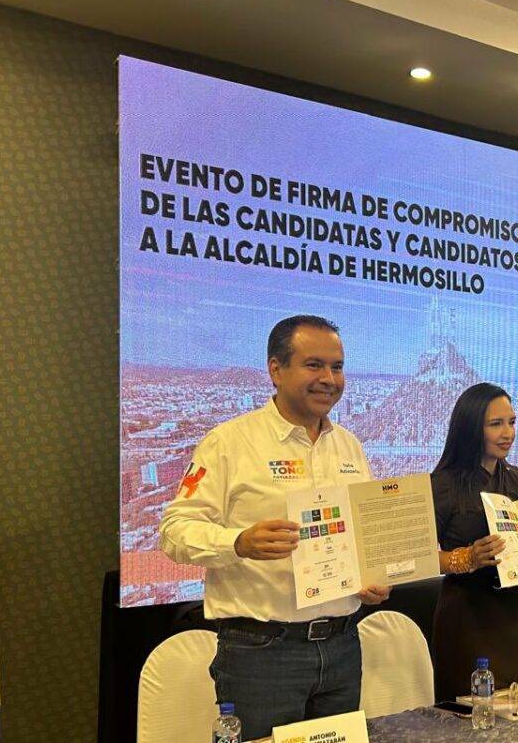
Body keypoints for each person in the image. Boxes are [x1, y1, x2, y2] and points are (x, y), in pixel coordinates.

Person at [159, 315, 391, 739]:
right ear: (276, 369)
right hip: (262, 653)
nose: (328, 379)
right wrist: (238, 542)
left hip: (342, 645)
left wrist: (369, 577)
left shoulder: (350, 447)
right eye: (314, 365)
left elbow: (359, 535)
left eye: (337, 367)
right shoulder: (230, 442)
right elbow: (175, 530)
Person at [430, 382, 518, 701]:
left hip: (517, 615)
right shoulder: (441, 484)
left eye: (511, 422)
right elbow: (421, 558)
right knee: (469, 713)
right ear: (471, 428)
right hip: (467, 617)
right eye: (496, 424)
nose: (507, 433)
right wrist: (466, 558)